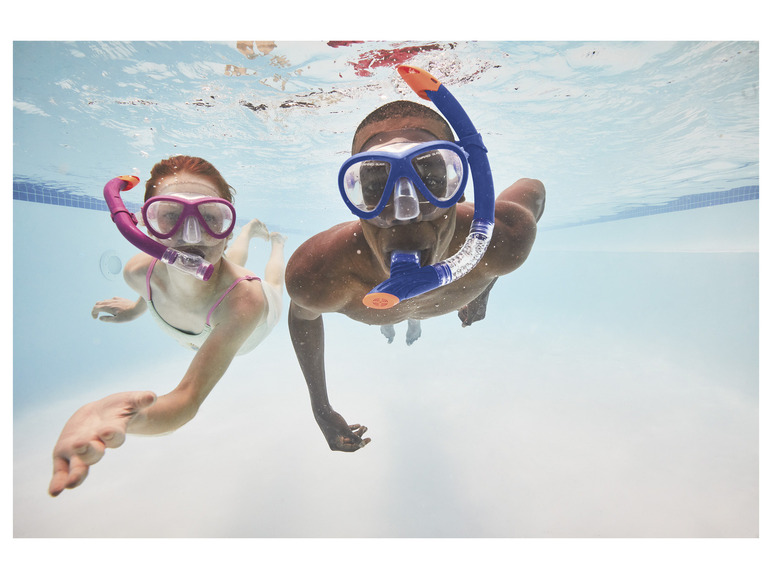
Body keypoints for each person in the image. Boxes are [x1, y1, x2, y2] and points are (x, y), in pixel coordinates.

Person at [286, 100, 545, 452]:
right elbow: (303, 314)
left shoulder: (502, 237)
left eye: (432, 179)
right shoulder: (318, 273)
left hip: (420, 292)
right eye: (377, 185)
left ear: (460, 187)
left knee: (390, 319)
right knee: (387, 321)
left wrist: (483, 287)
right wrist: (320, 407)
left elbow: (534, 189)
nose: (404, 212)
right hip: (382, 305)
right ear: (355, 198)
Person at [48, 155, 286, 497]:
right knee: (229, 263)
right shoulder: (137, 272)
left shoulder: (246, 303)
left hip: (255, 322)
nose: (192, 237)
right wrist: (133, 309)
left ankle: (277, 244)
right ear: (146, 226)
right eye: (170, 217)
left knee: (273, 282)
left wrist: (137, 418)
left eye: (210, 219)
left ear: (225, 229)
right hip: (221, 286)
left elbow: (186, 400)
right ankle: (251, 232)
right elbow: (152, 289)